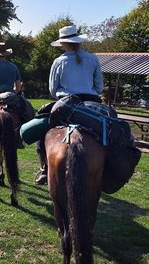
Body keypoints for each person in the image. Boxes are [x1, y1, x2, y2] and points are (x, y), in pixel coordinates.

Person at [35, 25, 104, 185]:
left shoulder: (58, 61)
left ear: (63, 43)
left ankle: (45, 169)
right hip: (91, 103)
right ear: (78, 41)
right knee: (105, 131)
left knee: (43, 129)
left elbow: (53, 90)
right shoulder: (93, 58)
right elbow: (99, 87)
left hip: (65, 104)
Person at [0, 42, 33, 148]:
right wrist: (14, 92)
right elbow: (18, 87)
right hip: (11, 97)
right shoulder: (13, 67)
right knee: (27, 111)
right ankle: (19, 138)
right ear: (6, 54)